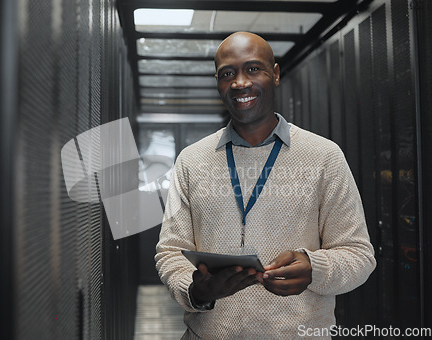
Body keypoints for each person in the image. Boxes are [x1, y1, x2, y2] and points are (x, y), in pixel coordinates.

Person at [155, 31, 376, 339]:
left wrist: (315, 268)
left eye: (253, 68)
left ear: (275, 74)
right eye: (227, 74)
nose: (240, 83)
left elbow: (359, 255)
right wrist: (195, 290)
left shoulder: (324, 156)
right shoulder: (191, 160)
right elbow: (170, 252)